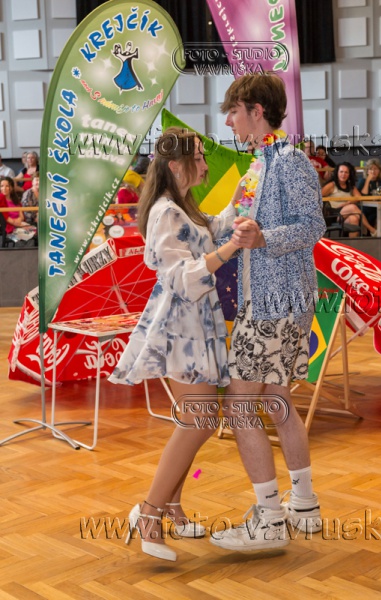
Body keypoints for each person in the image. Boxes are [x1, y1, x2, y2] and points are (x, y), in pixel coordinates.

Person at [108, 127, 241, 561]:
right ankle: (149, 513)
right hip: (180, 328)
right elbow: (182, 279)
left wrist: (242, 196)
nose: (204, 165)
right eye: (198, 158)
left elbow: (214, 227)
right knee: (199, 421)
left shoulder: (184, 206)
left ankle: (171, 506)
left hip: (198, 325)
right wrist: (230, 248)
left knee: (195, 419)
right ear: (174, 165)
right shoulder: (165, 212)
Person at [210, 73, 326, 552]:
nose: (229, 122)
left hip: (276, 302)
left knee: (240, 406)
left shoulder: (291, 160)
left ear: (257, 111)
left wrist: (265, 238)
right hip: (272, 300)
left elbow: (313, 225)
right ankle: (304, 505)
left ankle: (270, 519)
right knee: (277, 400)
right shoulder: (258, 165)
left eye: (233, 112)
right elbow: (228, 227)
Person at [322, 162, 377, 237]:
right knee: (353, 207)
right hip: (334, 214)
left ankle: (353, 243)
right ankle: (371, 230)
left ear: (349, 174)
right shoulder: (331, 185)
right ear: (337, 173)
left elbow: (359, 197)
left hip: (345, 214)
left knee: (354, 219)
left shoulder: (350, 186)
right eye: (341, 172)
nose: (343, 174)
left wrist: (347, 203)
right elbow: (318, 196)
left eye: (346, 172)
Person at [357, 158, 381, 236]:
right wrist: (368, 180)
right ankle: (376, 239)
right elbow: (363, 195)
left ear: (379, 170)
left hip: (380, 208)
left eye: (375, 169)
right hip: (367, 210)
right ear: (367, 171)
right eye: (370, 169)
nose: (373, 171)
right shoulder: (363, 180)